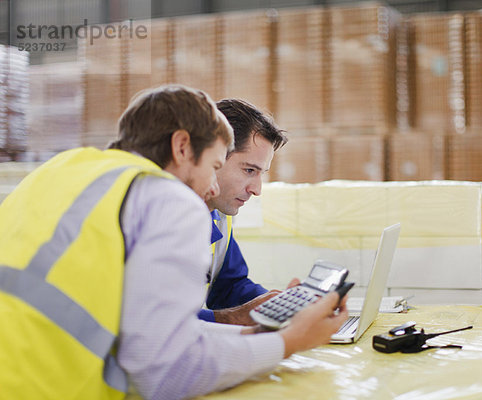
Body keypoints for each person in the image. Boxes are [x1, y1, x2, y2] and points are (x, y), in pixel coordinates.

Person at [0, 85, 348, 400]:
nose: (212, 189)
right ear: (182, 147)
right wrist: (287, 342)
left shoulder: (63, 169)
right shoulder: (170, 198)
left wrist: (255, 332)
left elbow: (143, 334)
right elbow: (164, 374)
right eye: (214, 166)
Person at [199, 98, 298, 325]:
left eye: (261, 173)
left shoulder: (220, 214)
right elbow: (155, 322)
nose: (257, 190)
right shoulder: (161, 218)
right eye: (249, 170)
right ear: (212, 158)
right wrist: (236, 317)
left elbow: (229, 288)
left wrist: (277, 305)